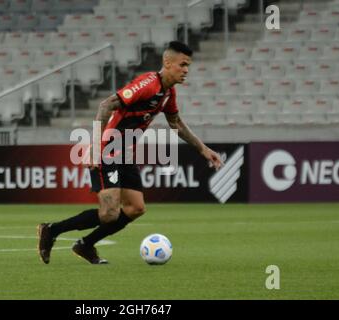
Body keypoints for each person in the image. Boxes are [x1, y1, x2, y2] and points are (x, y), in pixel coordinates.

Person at [37, 41, 223, 265]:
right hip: (107, 150)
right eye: (182, 65)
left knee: (135, 208)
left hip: (125, 154)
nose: (186, 70)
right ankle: (51, 230)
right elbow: (105, 106)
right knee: (109, 214)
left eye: (188, 66)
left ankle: (85, 245)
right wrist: (95, 148)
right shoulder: (147, 84)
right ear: (167, 62)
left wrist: (204, 149)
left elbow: (177, 124)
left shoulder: (168, 93)